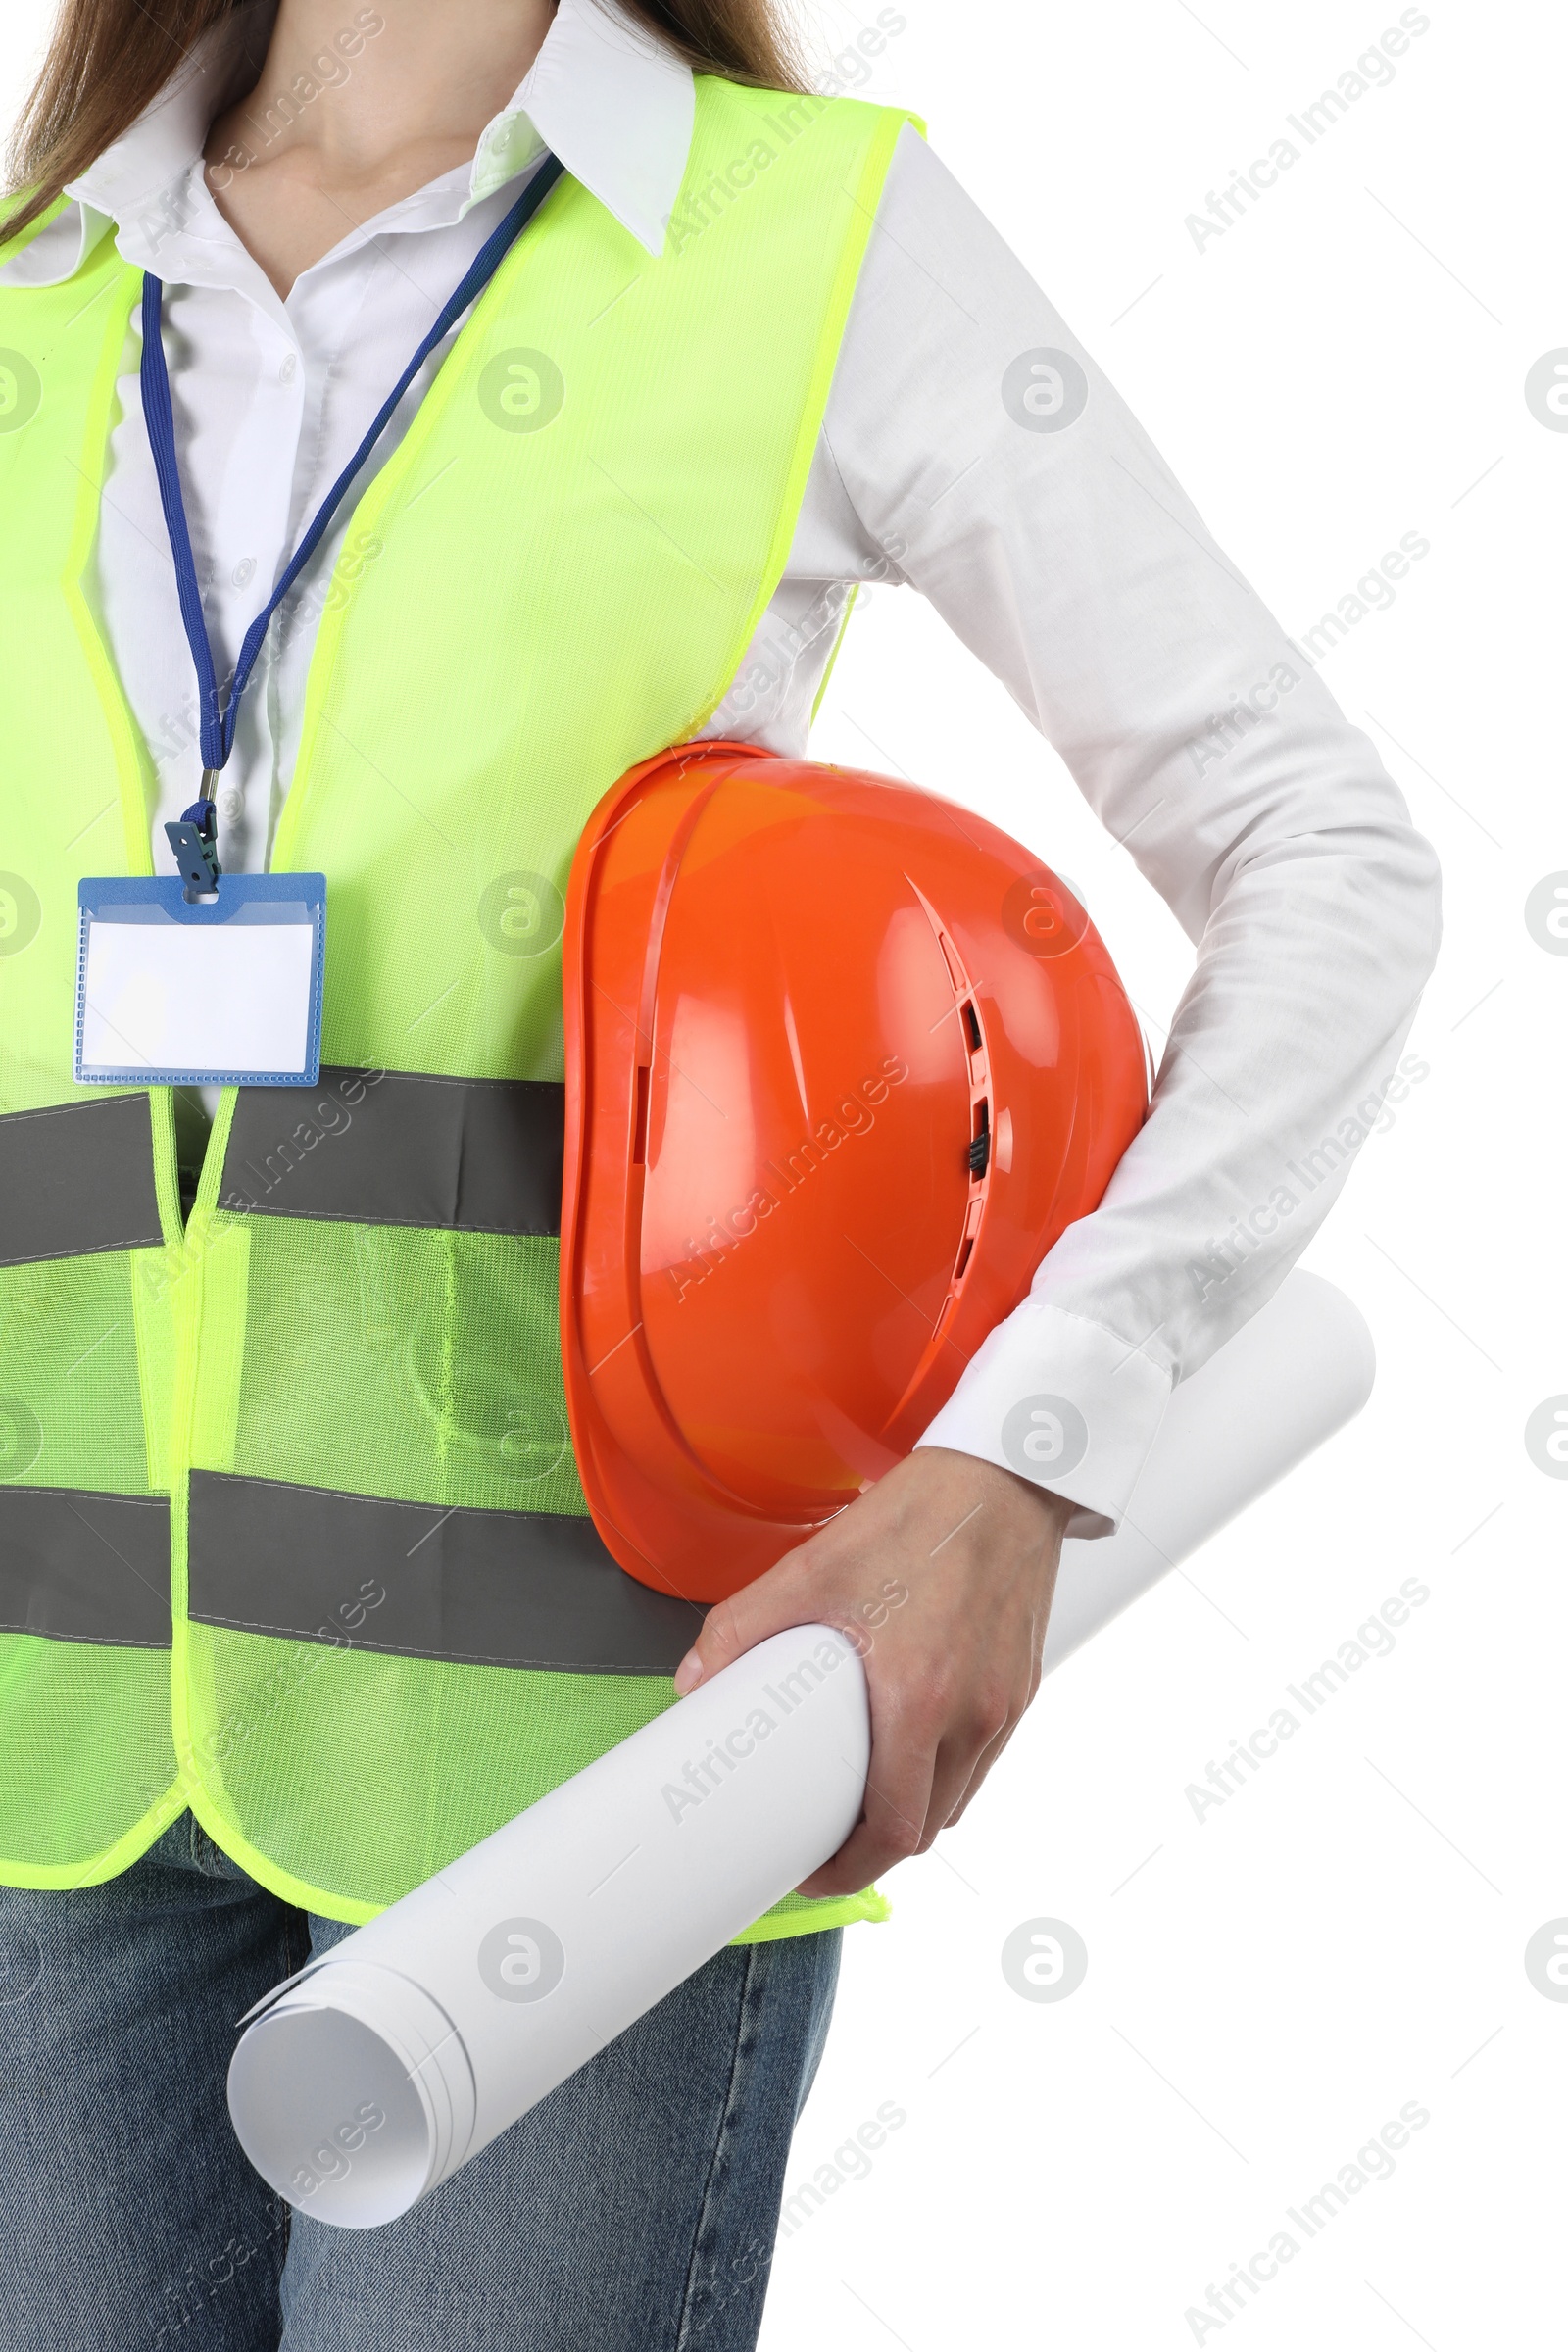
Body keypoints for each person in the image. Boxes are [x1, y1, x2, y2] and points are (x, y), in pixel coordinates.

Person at [0, 0, 1441, 2344]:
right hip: (43, 1771)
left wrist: (1017, 1463)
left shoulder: (803, 237)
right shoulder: (40, 286)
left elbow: (1326, 853)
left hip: (586, 1775)